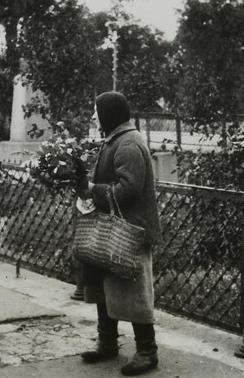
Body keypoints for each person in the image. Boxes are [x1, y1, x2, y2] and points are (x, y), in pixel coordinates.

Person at [77, 91, 162, 376]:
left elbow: (129, 189)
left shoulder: (128, 143)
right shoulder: (117, 139)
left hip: (131, 230)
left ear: (109, 113)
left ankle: (147, 352)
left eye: (96, 111)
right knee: (104, 286)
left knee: (135, 291)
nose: (93, 117)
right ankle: (107, 343)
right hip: (117, 227)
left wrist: (93, 191)